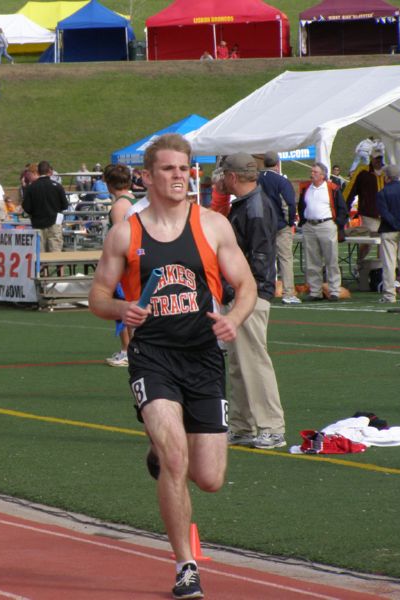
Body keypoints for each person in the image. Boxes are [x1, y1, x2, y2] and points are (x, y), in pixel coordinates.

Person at [88, 133, 256, 600]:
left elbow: (246, 285)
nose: (179, 176)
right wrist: (122, 311)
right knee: (177, 459)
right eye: (168, 169)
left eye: (184, 168)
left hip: (203, 357)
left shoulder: (213, 226)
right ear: (147, 176)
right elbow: (97, 297)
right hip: (153, 357)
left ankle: (162, 457)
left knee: (210, 478)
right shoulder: (127, 232)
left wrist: (234, 319)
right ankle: (186, 565)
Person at [218, 153, 286, 450]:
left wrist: (243, 292)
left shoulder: (254, 208)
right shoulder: (249, 204)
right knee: (239, 362)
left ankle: (271, 426)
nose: (219, 179)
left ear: (233, 176)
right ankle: (243, 424)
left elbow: (258, 258)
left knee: (254, 361)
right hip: (244, 292)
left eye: (223, 174)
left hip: (249, 294)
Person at [102, 163, 147, 368]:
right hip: (133, 258)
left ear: (110, 183)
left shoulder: (120, 205)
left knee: (122, 304)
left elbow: (121, 236)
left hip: (124, 261)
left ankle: (127, 350)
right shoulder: (132, 200)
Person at [297, 163, 348, 301]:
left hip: (326, 224)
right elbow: (301, 205)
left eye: (315, 172)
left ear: (322, 175)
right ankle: (315, 291)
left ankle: (334, 290)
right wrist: (303, 221)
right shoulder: (306, 187)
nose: (312, 173)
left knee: (331, 258)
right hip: (310, 225)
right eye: (312, 171)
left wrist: (337, 223)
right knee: (312, 260)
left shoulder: (332, 188)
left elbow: (342, 208)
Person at [258, 151, 299, 304]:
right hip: (280, 225)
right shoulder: (281, 181)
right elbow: (288, 203)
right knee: (285, 259)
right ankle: (288, 293)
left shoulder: (256, 180)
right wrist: (289, 222)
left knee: (264, 259)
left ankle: (264, 291)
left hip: (262, 225)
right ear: (277, 164)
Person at [344, 151, 385, 273]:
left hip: (386, 214)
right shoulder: (362, 172)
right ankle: (360, 263)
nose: (378, 161)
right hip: (369, 213)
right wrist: (344, 208)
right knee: (369, 241)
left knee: (383, 243)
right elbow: (350, 190)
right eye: (376, 158)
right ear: (371, 158)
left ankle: (380, 269)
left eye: (380, 158)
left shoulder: (386, 172)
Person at [376, 164, 400, 304]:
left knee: (389, 264)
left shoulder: (382, 193)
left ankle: (390, 295)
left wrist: (397, 225)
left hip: (389, 230)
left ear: (387, 177)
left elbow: (385, 213)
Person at [23, 161, 68, 252]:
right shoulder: (57, 186)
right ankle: (59, 267)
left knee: (40, 256)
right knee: (56, 254)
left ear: (38, 172)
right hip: (54, 222)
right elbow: (65, 205)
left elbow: (26, 207)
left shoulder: (31, 188)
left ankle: (44, 267)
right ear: (49, 171)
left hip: (37, 223)